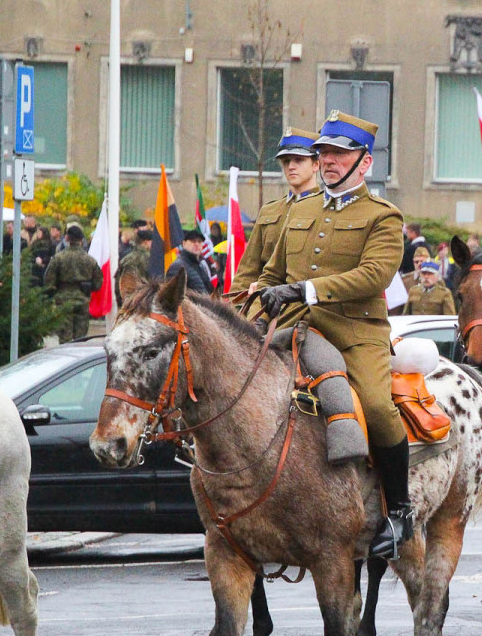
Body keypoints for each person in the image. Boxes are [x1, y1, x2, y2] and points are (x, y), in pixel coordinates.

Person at [256, 111, 411, 560]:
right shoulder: (299, 209)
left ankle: (400, 511)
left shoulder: (382, 215)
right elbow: (271, 273)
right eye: (323, 152)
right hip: (296, 326)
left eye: (339, 153)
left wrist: (305, 289)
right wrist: (249, 310)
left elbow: (373, 274)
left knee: (379, 407)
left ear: (365, 163)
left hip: (355, 331)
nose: (327, 160)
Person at [232, 128, 322, 296]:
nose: (291, 166)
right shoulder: (269, 211)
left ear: (316, 164)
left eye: (299, 160)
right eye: (286, 161)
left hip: (305, 302)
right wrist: (236, 308)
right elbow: (248, 268)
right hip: (264, 302)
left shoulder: (325, 209)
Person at [43, 225, 102, 342]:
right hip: (82, 300)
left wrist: (54, 294)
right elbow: (98, 284)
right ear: (81, 240)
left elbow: (48, 280)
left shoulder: (58, 258)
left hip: (63, 301)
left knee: (65, 340)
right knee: (80, 340)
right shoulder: (90, 260)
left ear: (67, 238)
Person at [166, 228, 214, 294]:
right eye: (193, 241)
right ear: (184, 243)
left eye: (199, 241)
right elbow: (173, 296)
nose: (197, 244)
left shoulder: (201, 266)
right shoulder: (177, 267)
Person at [116, 227, 153, 302]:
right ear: (146, 242)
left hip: (128, 301)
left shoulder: (127, 258)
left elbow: (119, 282)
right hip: (147, 300)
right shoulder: (151, 259)